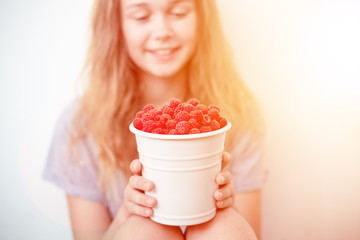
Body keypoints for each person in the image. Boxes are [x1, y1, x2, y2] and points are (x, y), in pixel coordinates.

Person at [43, 0, 267, 239]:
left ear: (202, 17)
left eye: (178, 12)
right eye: (141, 17)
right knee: (145, 230)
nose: (162, 32)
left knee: (224, 226)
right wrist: (127, 212)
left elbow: (243, 232)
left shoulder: (238, 115)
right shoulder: (80, 128)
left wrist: (228, 205)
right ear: (116, 25)